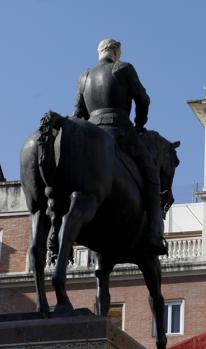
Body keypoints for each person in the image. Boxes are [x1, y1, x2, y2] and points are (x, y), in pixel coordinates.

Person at [72, 38, 166, 254]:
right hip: (121, 132)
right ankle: (153, 232)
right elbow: (143, 99)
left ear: (99, 53)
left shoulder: (84, 76)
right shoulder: (123, 68)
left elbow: (78, 113)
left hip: (92, 135)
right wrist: (140, 124)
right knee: (152, 176)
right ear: (117, 52)